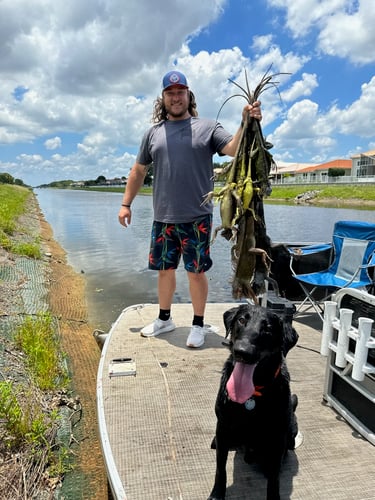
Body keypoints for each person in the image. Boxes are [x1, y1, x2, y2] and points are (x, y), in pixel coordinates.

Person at [118, 70, 262, 348]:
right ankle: (164, 319)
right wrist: (126, 204)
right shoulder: (153, 134)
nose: (175, 97)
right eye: (170, 93)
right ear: (163, 98)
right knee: (164, 271)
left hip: (197, 217)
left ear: (188, 96)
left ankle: (198, 324)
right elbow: (138, 170)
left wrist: (245, 121)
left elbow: (233, 148)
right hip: (162, 217)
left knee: (196, 272)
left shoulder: (207, 127)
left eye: (180, 92)